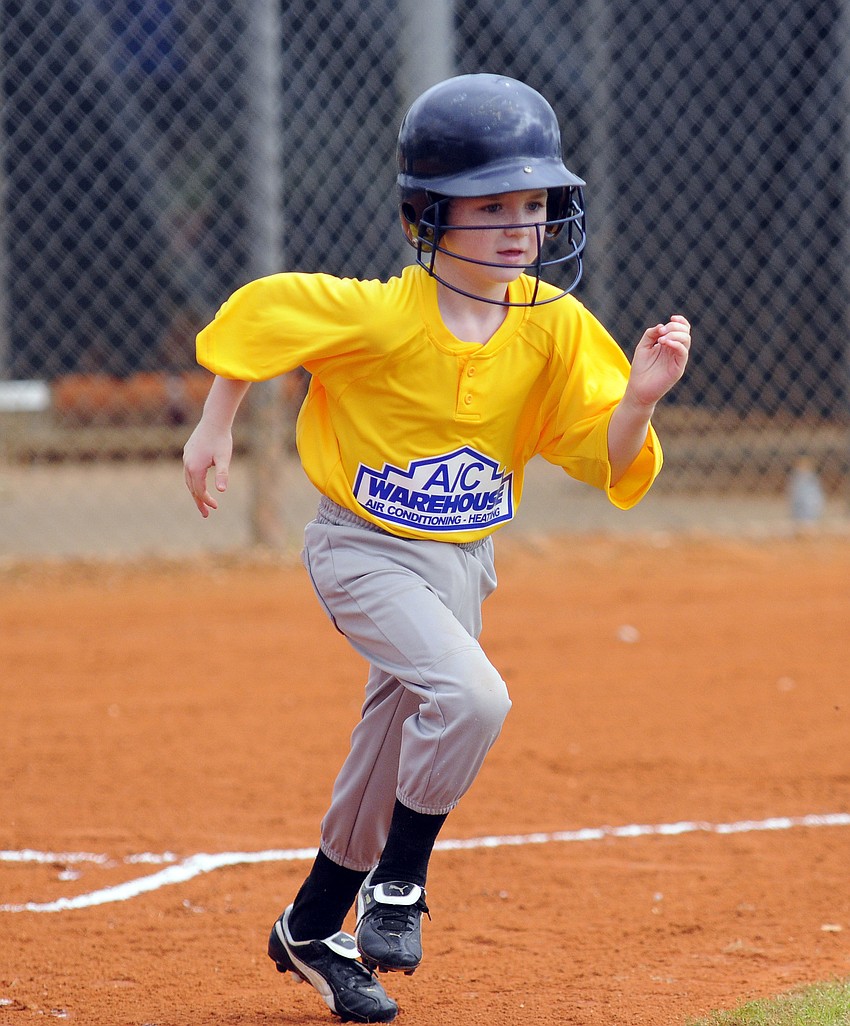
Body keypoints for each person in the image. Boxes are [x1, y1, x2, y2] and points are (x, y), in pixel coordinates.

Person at [183, 73, 691, 1024]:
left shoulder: (553, 329)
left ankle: (309, 929)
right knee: (472, 695)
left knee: (383, 763)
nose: (517, 225)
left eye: (533, 204)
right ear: (428, 213)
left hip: (464, 562)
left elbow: (606, 457)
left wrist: (640, 402)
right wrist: (215, 426)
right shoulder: (380, 315)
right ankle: (402, 887)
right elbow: (263, 313)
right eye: (489, 204)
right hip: (363, 549)